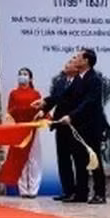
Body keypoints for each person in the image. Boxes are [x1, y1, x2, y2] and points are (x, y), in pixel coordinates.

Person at [57, 48, 107, 204]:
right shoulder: (78, 79)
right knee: (79, 160)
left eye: (78, 57)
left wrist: (71, 116)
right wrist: (45, 102)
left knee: (94, 160)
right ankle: (81, 193)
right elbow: (63, 97)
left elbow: (89, 103)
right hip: (79, 127)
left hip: (91, 127)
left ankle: (100, 193)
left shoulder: (94, 79)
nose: (76, 59)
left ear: (86, 61)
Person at [0, 67, 44, 196]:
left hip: (32, 129)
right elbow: (10, 110)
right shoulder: (13, 94)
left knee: (33, 159)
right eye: (20, 74)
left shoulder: (36, 94)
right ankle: (23, 190)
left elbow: (42, 109)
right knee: (19, 159)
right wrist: (12, 117)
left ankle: (33, 190)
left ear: (30, 78)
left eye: (25, 74)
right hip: (19, 129)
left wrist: (41, 113)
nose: (22, 76)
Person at [45, 59, 81, 201]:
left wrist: (71, 116)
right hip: (60, 125)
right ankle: (67, 190)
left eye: (70, 63)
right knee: (63, 159)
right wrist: (43, 109)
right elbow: (54, 99)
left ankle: (79, 192)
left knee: (77, 159)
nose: (66, 65)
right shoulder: (60, 82)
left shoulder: (80, 82)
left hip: (74, 125)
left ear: (77, 68)